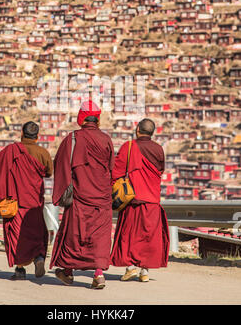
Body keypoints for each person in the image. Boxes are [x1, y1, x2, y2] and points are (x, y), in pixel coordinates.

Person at [50, 100, 115, 289]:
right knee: (99, 236)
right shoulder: (106, 139)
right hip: (102, 197)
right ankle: (99, 274)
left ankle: (68, 272)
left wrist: (64, 188)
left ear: (82, 118)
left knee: (75, 234)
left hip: (80, 195)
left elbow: (60, 164)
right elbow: (111, 168)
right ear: (98, 119)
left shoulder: (73, 139)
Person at [0, 121, 53, 280]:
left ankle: (20, 270)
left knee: (18, 234)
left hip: (16, 201)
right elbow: (49, 172)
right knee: (37, 232)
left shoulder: (11, 151)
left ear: (22, 134)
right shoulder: (43, 152)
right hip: (35, 201)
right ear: (37, 136)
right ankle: (39, 258)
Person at [110, 118, 169, 282]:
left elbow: (117, 172)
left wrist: (114, 189)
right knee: (148, 237)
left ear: (137, 130)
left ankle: (130, 268)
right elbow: (160, 170)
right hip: (152, 200)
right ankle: (145, 272)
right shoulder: (158, 149)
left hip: (133, 199)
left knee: (130, 235)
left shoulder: (129, 147)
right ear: (152, 132)